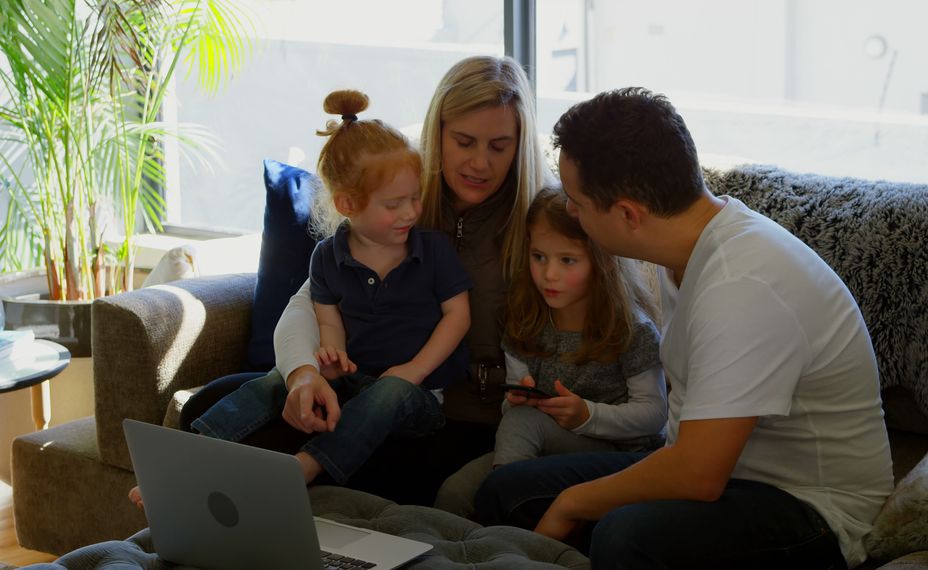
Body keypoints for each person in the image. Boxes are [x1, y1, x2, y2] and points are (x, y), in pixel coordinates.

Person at [473, 87, 894, 569]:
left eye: (577, 202)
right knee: (507, 493)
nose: (570, 214)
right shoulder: (684, 252)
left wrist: (571, 504)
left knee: (625, 536)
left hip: (811, 509)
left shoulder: (741, 284)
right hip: (723, 475)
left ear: (628, 214)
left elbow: (697, 475)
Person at [177, 55, 552, 503]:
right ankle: (193, 492)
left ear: (520, 144)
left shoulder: (541, 223)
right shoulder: (395, 196)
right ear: (439, 133)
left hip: (458, 417)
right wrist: (303, 375)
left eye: (499, 146)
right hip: (360, 387)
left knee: (361, 465)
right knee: (211, 399)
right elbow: (309, 304)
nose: (480, 163)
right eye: (465, 141)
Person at [130, 89, 472, 507]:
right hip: (352, 382)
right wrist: (333, 356)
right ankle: (183, 460)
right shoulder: (328, 256)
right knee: (277, 380)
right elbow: (327, 318)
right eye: (394, 203)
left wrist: (413, 371)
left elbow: (458, 316)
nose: (410, 212)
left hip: (417, 397)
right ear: (348, 203)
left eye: (415, 198)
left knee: (390, 391)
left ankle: (306, 466)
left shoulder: (432, 251)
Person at [433, 186, 667, 517]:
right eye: (539, 257)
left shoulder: (631, 329)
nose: (549, 274)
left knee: (524, 426)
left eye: (567, 260)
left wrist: (586, 415)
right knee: (455, 493)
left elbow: (654, 416)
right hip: (543, 444)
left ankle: (508, 507)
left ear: (602, 262)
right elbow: (513, 405)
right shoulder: (526, 319)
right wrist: (514, 399)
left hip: (619, 453)